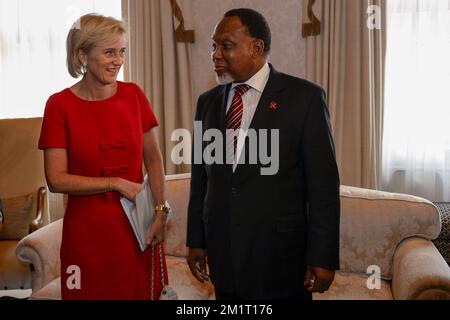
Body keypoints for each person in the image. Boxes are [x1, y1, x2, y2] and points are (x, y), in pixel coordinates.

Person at [186, 8, 341, 300]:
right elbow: (201, 180)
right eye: (213, 45)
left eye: (226, 45)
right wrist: (197, 239)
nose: (215, 54)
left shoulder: (305, 98)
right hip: (225, 258)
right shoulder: (207, 103)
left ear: (256, 48)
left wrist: (323, 256)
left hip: (280, 260)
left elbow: (323, 186)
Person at [39, 14, 170, 300]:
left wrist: (160, 211)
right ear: (82, 55)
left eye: (122, 51)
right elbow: (56, 180)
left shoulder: (134, 95)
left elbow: (155, 160)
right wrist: (116, 183)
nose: (118, 60)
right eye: (109, 52)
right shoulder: (59, 105)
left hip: (137, 230)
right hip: (86, 236)